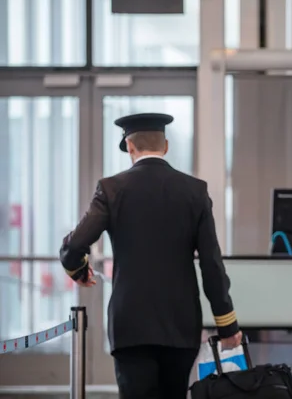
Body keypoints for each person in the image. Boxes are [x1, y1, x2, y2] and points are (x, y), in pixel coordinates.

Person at [59, 113, 242, 399]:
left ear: (130, 147)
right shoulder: (195, 191)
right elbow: (211, 265)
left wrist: (79, 270)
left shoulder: (111, 189)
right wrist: (227, 324)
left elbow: (74, 246)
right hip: (180, 327)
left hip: (130, 326)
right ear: (165, 146)